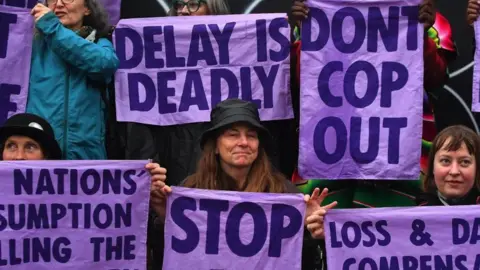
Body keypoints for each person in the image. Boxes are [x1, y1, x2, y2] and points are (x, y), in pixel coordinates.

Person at [289, 0, 457, 209]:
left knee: (399, 232)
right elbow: (301, 81)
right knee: (322, 226)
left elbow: (436, 78)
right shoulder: (321, 12)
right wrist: (306, 31)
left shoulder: (421, 13)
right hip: (333, 147)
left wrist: (420, 32)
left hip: (399, 153)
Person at [149, 99, 335, 269]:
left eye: (251, 136)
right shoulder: (190, 191)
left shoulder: (284, 192)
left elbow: (302, 262)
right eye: (233, 134)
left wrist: (310, 231)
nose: (244, 142)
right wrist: (166, 219)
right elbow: (169, 260)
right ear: (215, 146)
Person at [28, 0, 119, 160]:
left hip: (85, 158)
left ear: (87, 9)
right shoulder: (30, 46)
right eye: (52, 0)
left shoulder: (101, 43)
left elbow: (104, 65)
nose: (59, 4)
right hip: (38, 154)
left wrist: (53, 28)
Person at [416, 125, 480, 206]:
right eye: (445, 161)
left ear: (477, 169)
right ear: (433, 167)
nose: (454, 171)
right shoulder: (414, 214)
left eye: (465, 162)